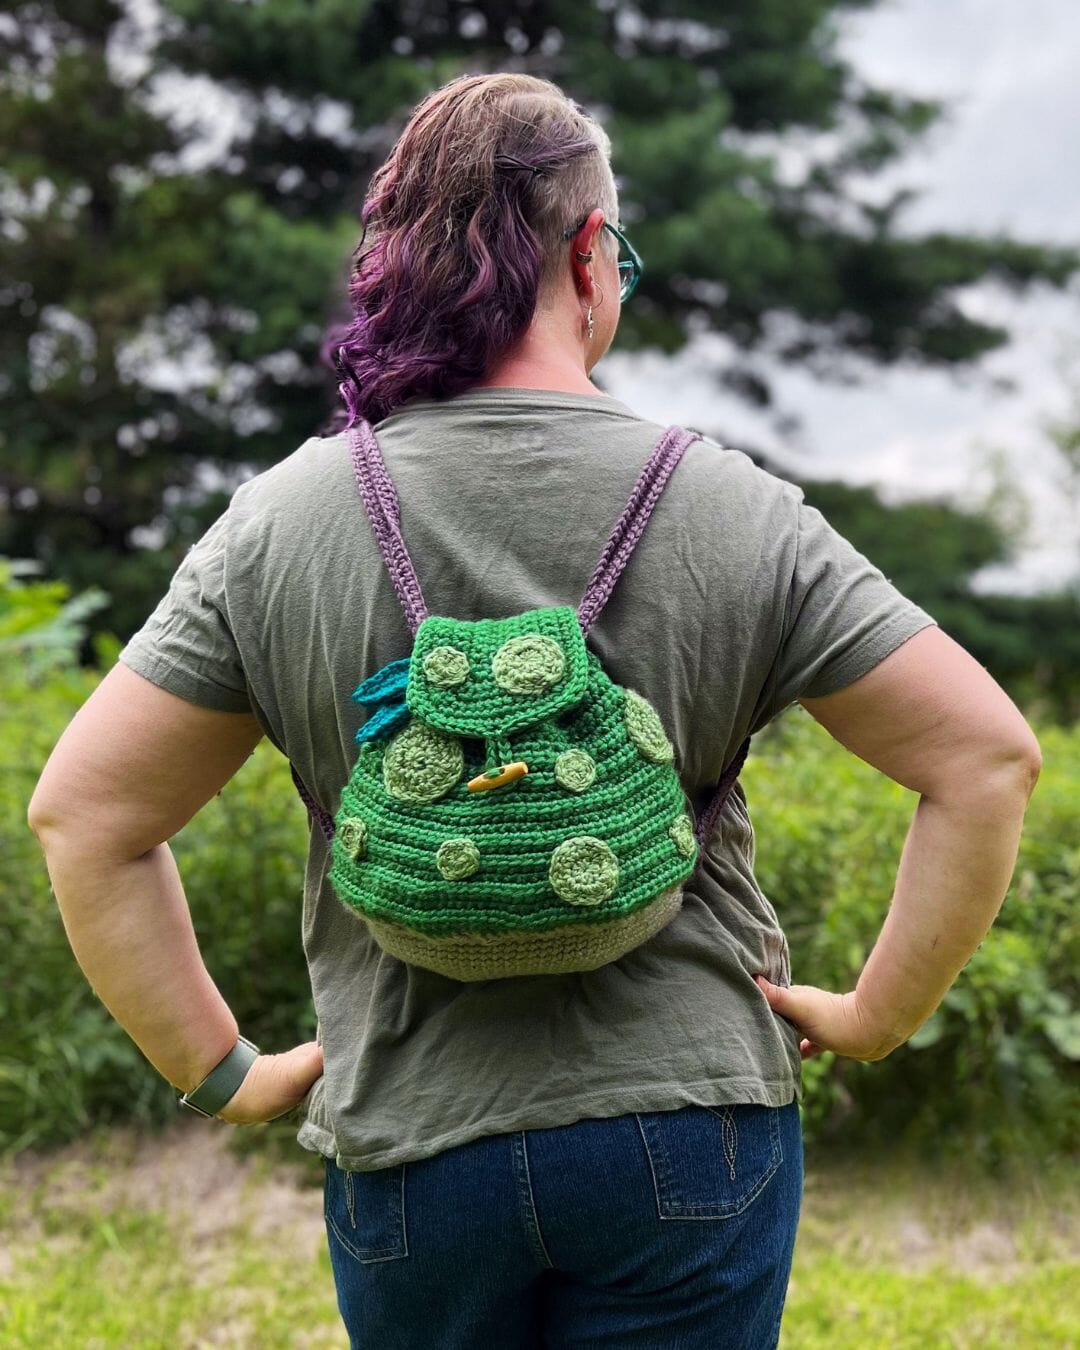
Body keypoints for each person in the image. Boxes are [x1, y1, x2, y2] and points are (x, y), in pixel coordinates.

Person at [27, 71, 1041, 1350]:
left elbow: (85, 816)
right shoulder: (730, 506)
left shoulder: (283, 520)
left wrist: (224, 1071)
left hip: (412, 1139)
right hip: (687, 1124)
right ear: (586, 256)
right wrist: (873, 1014)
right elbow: (987, 757)